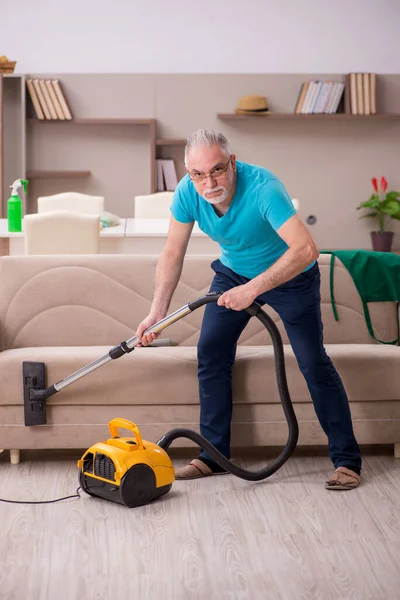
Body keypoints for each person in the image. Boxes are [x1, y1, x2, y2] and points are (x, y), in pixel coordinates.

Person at [136, 129, 362, 491]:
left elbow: (306, 250)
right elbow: (172, 254)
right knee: (210, 350)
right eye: (198, 174)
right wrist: (156, 313)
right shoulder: (186, 193)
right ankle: (214, 456)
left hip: (291, 275)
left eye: (217, 170)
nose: (208, 182)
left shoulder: (263, 188)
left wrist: (253, 289)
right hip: (234, 272)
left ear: (233, 162)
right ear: (188, 172)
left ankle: (347, 461)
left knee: (311, 361)